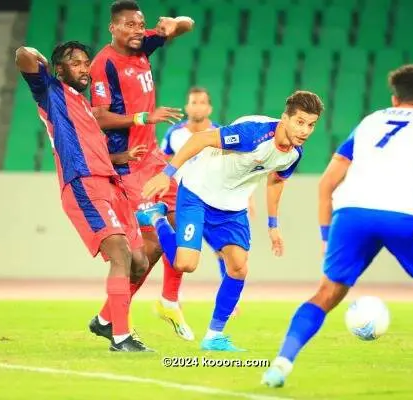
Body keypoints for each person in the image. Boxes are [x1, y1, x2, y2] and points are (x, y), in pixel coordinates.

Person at [260, 64, 413, 392]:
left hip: (352, 213)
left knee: (327, 292)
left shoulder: (369, 122)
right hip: (405, 215)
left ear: (394, 98)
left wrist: (326, 236)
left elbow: (327, 184)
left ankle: (280, 365)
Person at [138, 90, 324, 351]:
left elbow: (275, 181)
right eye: (300, 122)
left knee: (238, 267)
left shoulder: (293, 154)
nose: (305, 130)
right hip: (198, 192)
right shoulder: (253, 134)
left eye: (311, 125)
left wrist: (273, 225)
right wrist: (167, 174)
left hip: (232, 207)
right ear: (285, 118)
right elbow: (200, 139)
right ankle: (157, 217)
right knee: (185, 264)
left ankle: (214, 336)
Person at [16, 41, 151, 352]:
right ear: (60, 69)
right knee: (120, 253)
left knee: (140, 262)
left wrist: (123, 156)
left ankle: (105, 321)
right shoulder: (50, 92)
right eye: (75, 62)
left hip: (110, 184)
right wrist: (41, 62)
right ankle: (121, 337)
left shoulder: (86, 108)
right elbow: (22, 55)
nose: (84, 68)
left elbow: (95, 150)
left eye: (86, 62)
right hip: (84, 185)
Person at [89, 0, 195, 341]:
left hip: (152, 158)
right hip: (128, 161)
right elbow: (99, 116)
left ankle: (113, 315)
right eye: (130, 25)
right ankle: (119, 318)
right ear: (113, 28)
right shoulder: (104, 64)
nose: (138, 31)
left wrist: (174, 23)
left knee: (173, 235)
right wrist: (142, 118)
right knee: (146, 246)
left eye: (141, 25)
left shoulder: (143, 45)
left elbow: (187, 24)